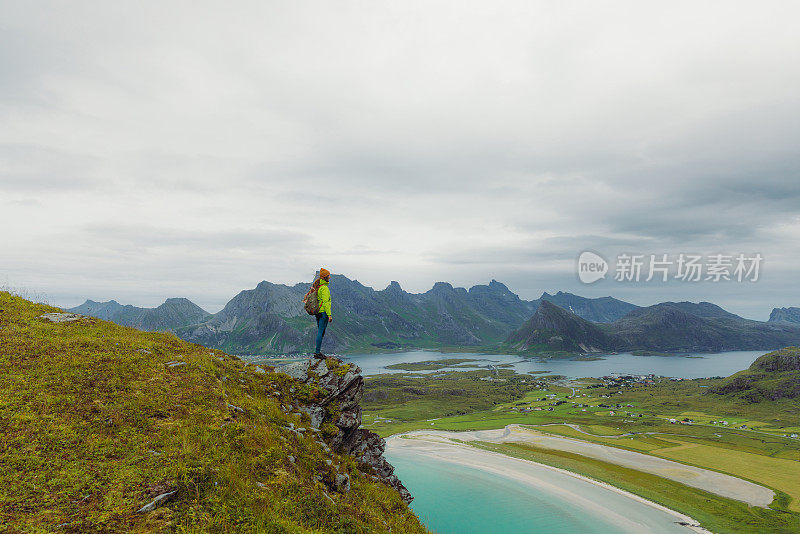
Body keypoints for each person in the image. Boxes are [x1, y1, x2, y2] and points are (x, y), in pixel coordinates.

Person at [313, 268, 332, 358]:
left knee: (321, 332)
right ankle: (317, 353)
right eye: (328, 275)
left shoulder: (319, 287)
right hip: (323, 313)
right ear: (325, 277)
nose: (330, 277)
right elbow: (326, 302)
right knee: (321, 332)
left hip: (318, 313)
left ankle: (318, 351)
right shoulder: (324, 288)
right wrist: (329, 315)